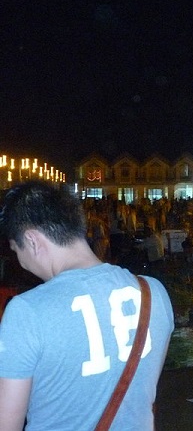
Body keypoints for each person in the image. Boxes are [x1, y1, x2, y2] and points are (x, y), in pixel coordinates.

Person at [0, 181, 174, 431]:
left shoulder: (26, 311)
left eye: (17, 250)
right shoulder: (153, 292)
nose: (20, 261)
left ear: (32, 240)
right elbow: (141, 388)